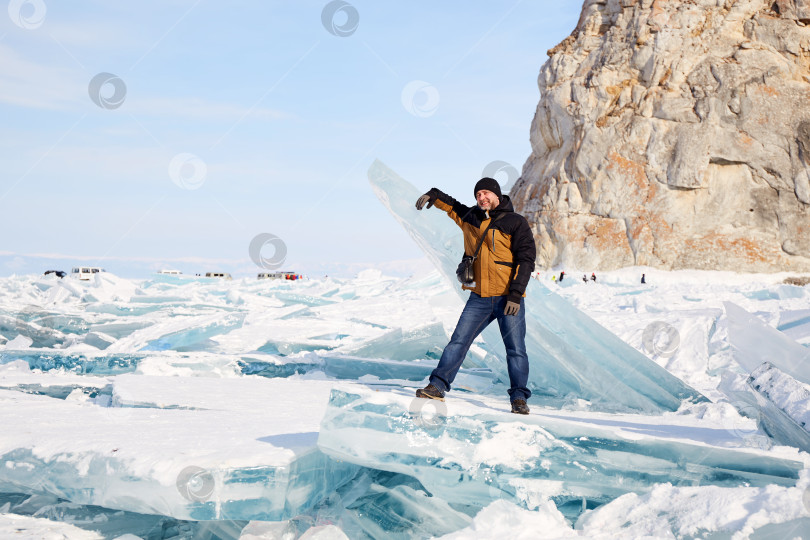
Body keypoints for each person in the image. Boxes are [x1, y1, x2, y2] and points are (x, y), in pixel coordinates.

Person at [414, 178, 536, 414]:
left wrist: (516, 294)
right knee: (458, 341)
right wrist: (434, 194)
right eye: (478, 194)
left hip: (507, 297)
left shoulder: (515, 222)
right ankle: (437, 386)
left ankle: (519, 398)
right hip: (479, 297)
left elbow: (526, 259)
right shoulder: (471, 217)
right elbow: (452, 206)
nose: (481, 198)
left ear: (497, 195)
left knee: (516, 350)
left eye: (486, 193)